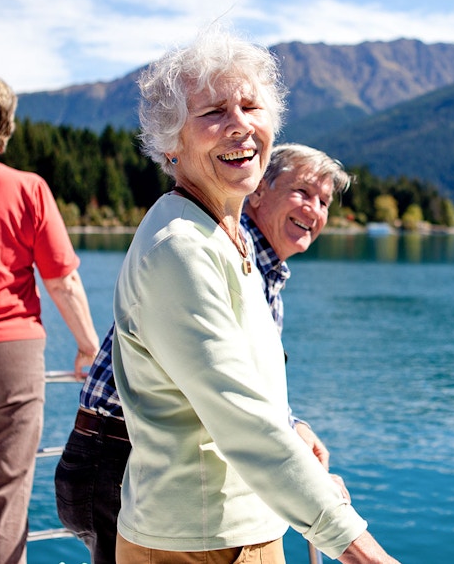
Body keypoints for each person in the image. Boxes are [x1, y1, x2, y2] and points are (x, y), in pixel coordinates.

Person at [111, 28, 400, 563]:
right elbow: (240, 417)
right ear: (172, 142)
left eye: (250, 106)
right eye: (214, 112)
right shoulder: (180, 247)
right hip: (200, 543)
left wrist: (291, 426)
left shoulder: (226, 232)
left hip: (236, 528)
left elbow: (247, 392)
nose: (240, 125)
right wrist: (364, 552)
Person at [54, 142, 352, 564]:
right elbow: (224, 393)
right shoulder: (214, 248)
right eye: (302, 192)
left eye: (324, 201)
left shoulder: (257, 266)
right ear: (260, 189)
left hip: (130, 456)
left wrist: (292, 425)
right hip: (119, 457)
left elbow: (232, 379)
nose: (315, 210)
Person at [0, 76, 100, 564]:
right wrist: (88, 347)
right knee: (6, 490)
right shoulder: (26, 189)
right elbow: (62, 281)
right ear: (7, 127)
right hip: (9, 355)